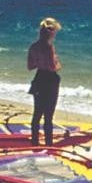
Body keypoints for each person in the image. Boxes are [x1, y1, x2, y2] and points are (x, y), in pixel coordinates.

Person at [26, 17, 62, 145]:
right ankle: (48, 144)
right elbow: (53, 66)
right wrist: (58, 63)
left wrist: (40, 62)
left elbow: (30, 66)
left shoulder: (33, 46)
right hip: (50, 79)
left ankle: (34, 142)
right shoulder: (49, 47)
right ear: (51, 33)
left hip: (39, 77)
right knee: (48, 116)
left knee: (37, 114)